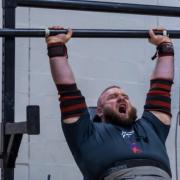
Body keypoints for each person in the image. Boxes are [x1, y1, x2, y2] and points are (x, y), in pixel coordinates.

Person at [46, 26, 174, 180]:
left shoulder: (150, 127)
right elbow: (67, 90)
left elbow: (162, 86)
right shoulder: (86, 133)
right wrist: (56, 45)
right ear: (99, 111)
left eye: (125, 96)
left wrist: (165, 45)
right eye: (112, 97)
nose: (122, 98)